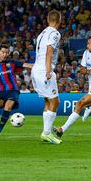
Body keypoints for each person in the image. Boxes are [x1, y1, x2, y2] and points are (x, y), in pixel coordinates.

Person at [30, 10, 62, 144]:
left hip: (36, 69)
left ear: (48, 20)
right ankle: (47, 133)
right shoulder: (55, 33)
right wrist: (49, 70)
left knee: (48, 102)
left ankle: (46, 133)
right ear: (59, 21)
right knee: (55, 101)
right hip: (44, 69)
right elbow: (49, 52)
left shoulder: (42, 33)